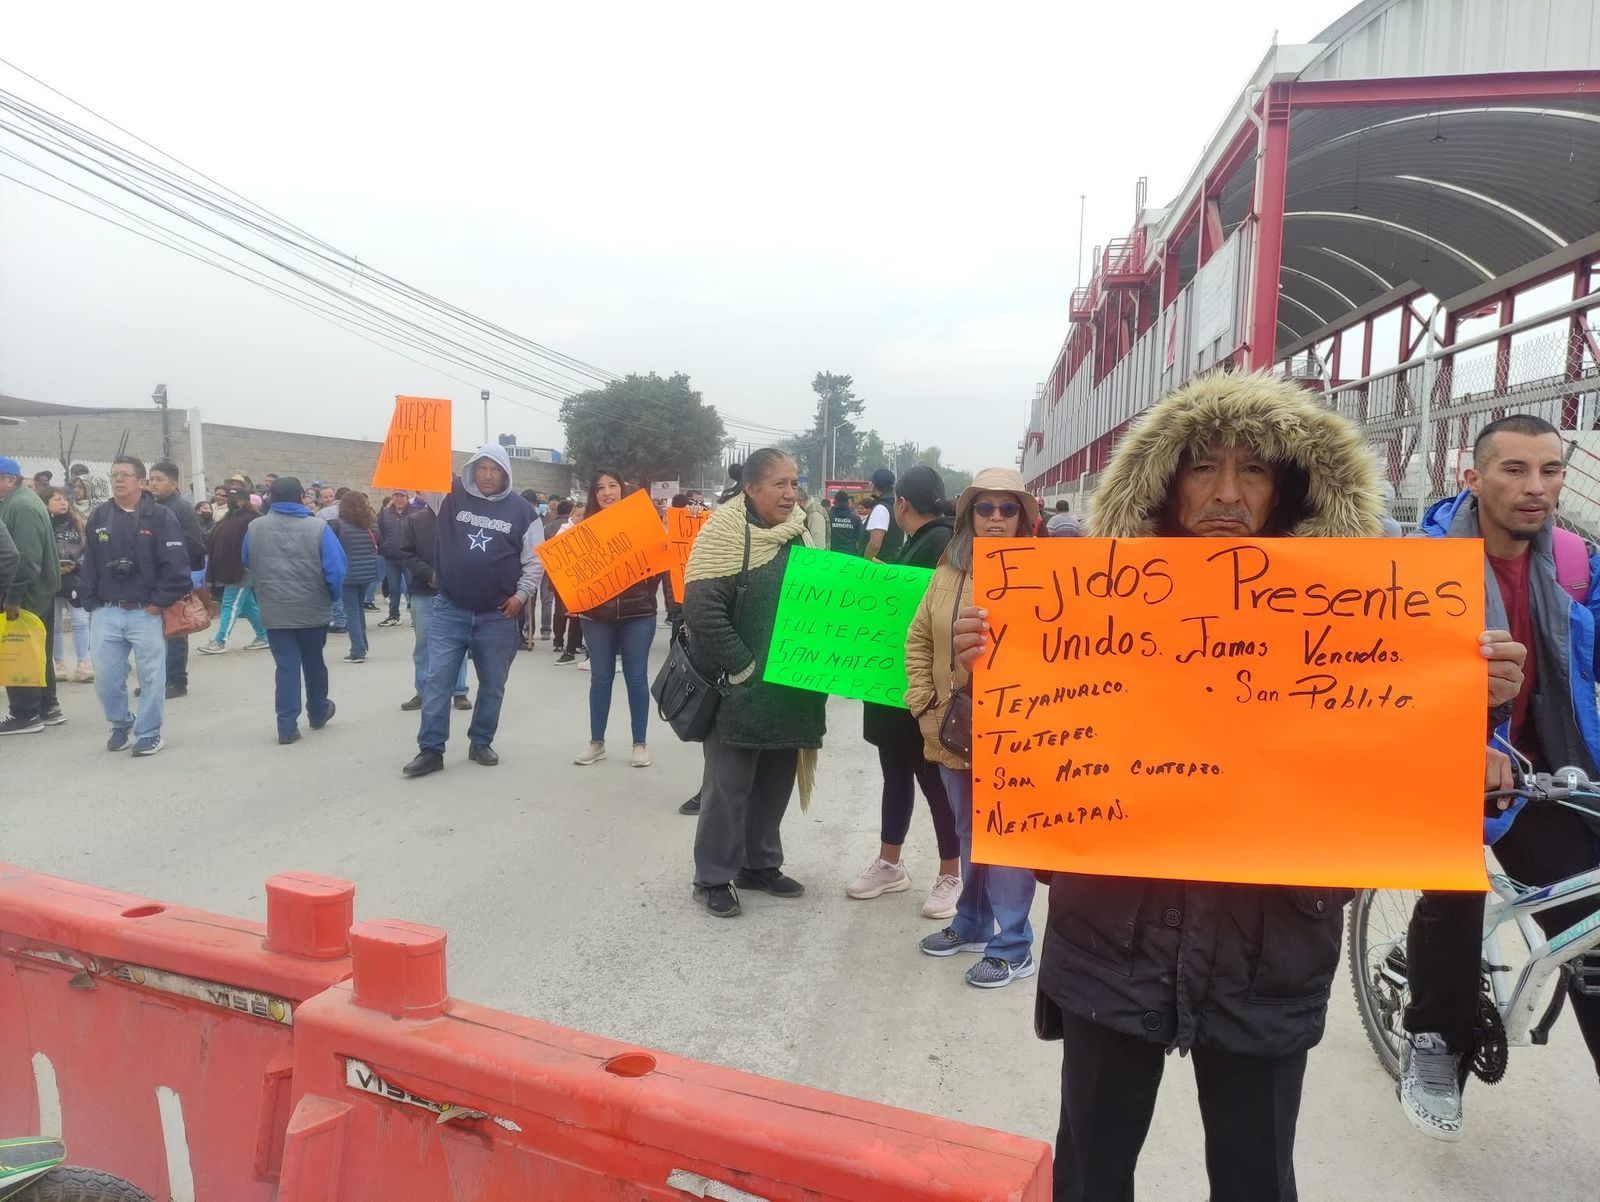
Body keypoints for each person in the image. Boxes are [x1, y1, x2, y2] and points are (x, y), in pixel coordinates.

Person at [947, 375, 1526, 1201]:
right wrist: (990, 680)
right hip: (1110, 943)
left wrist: (1471, 706)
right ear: (1164, 481)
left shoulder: (1362, 621)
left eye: (1252, 470)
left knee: (1256, 1181)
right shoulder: (1081, 604)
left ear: (1289, 484)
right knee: (1090, 1174)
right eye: (1201, 469)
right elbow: (1012, 776)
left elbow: (1395, 789)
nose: (1225, 492)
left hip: (1269, 955)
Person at [1400, 412, 1600, 1140]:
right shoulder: (1416, 566)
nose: (1535, 487)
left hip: (1543, 762)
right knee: (1454, 895)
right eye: (1514, 469)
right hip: (1440, 762)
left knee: (1587, 927)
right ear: (1472, 477)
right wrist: (1466, 728)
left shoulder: (1576, 562)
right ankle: (1433, 1042)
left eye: (1549, 470)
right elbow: (1384, 678)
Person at [905, 468, 1039, 986]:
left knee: (1007, 838)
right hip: (955, 731)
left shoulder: (1050, 572)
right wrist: (923, 703)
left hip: (1022, 735)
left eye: (1009, 509)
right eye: (987, 508)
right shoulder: (946, 575)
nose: (998, 518)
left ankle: (1013, 945)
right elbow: (918, 640)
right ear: (970, 516)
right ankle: (973, 923)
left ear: (1024, 517)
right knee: (968, 832)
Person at [684, 448, 825, 918]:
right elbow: (702, 609)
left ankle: (760, 863)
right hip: (737, 689)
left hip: (787, 690)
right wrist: (742, 667)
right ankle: (714, 876)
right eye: (780, 484)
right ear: (751, 488)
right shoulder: (724, 532)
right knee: (729, 786)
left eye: (794, 483)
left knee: (774, 782)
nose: (790, 494)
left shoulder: (801, 533)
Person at [850, 465, 963, 919]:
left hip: (920, 691)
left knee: (934, 782)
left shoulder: (940, 542)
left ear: (901, 505)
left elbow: (923, 607)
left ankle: (951, 873)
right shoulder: (926, 541)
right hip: (893, 687)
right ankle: (890, 862)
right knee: (896, 773)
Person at [402, 444, 542, 778]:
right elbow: (420, 475)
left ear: (505, 472)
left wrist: (521, 596)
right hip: (450, 609)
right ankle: (431, 749)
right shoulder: (449, 498)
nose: (488, 475)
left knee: (493, 684)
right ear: (472, 470)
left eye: (495, 469)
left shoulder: (523, 512)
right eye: (482, 468)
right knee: (437, 681)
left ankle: (481, 741)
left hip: (498, 615)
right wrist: (421, 436)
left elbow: (535, 561)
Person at [76, 455, 190, 755]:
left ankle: (150, 733)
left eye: (125, 475)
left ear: (141, 482)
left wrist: (158, 603)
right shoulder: (100, 516)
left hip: (146, 611)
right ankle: (120, 723)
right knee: (106, 676)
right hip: (107, 611)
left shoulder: (161, 517)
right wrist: (90, 600)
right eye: (114, 475)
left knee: (152, 676)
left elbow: (177, 566)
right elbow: (89, 563)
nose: (118, 480)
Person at [243, 476, 346, 744]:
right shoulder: (318, 528)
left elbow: (247, 559)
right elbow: (336, 569)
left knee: (286, 667)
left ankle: (286, 726)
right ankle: (318, 711)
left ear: (270, 498)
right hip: (312, 607)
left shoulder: (255, 528)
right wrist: (332, 597)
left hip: (274, 608)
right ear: (302, 496)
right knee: (314, 663)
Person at [573, 470, 658, 769]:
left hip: (638, 614)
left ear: (623, 489)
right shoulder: (584, 529)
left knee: (636, 677)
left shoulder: (641, 523)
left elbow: (658, 565)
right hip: (596, 616)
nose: (607, 492)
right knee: (601, 677)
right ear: (593, 495)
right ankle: (597, 743)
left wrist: (645, 596)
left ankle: (639, 743)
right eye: (600, 488)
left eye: (612, 486)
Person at [0, 457, 63, 733]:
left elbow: (25, 559)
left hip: (27, 594)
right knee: (38, 650)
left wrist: (13, 598)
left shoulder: (21, 506)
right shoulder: (22, 501)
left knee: (19, 649)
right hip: (37, 591)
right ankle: (47, 706)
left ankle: (25, 714)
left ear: (8, 480)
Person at [398, 496, 472, 713]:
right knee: (423, 642)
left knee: (458, 641)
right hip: (423, 590)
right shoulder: (414, 520)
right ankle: (423, 690)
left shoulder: (464, 519)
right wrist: (428, 573)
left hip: (456, 590)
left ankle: (459, 691)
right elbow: (406, 553)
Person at [147, 461, 207, 699]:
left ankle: (176, 681)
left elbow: (196, 545)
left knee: (175, 631)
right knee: (154, 634)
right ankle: (157, 680)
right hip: (153, 579)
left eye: (158, 479)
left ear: (173, 483)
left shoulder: (180, 509)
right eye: (151, 479)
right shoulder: (151, 506)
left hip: (175, 579)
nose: (153, 484)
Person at [198, 487, 269, 654]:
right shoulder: (228, 518)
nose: (232, 500)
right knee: (247, 605)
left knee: (230, 604)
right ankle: (264, 635)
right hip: (228, 569)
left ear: (244, 500)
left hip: (242, 570)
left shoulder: (254, 520)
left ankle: (219, 640)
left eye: (235, 498)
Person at [46, 487, 93, 683]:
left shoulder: (78, 523)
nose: (63, 503)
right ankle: (58, 664)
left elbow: (88, 550)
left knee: (81, 621)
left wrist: (75, 565)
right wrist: (52, 567)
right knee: (54, 624)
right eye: (57, 499)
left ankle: (84, 663)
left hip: (75, 578)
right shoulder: (43, 523)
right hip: (51, 579)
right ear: (47, 503)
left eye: (65, 499)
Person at [330, 491, 381, 664]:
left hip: (348, 574)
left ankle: (357, 650)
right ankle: (362, 644)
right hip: (367, 573)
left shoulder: (338, 525)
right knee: (358, 610)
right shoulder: (369, 524)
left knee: (351, 612)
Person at [553, 501, 587, 665]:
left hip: (587, 578)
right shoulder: (564, 530)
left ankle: (581, 649)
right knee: (570, 613)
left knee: (585, 617)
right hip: (570, 579)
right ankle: (569, 649)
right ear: (572, 515)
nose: (581, 518)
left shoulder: (589, 528)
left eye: (583, 515)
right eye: (578, 514)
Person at [375, 489, 411, 628]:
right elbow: (379, 531)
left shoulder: (414, 513)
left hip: (409, 558)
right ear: (392, 497)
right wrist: (384, 546)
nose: (399, 499)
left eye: (401, 496)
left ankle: (415, 614)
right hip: (391, 558)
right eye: (396, 496)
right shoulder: (385, 513)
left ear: (407, 497)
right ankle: (393, 615)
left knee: (411, 587)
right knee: (393, 588)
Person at [537, 497, 564, 642]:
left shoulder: (551, 524)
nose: (553, 508)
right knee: (547, 599)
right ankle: (545, 628)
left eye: (555, 506)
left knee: (552, 600)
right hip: (547, 564)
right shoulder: (543, 520)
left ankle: (548, 629)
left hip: (554, 565)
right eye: (551, 505)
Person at [863, 467, 903, 561]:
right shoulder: (894, 505)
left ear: (874, 485)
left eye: (871, 482)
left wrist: (865, 562)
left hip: (876, 569)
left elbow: (875, 544)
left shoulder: (881, 508)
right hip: (890, 565)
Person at [828, 489, 863, 554]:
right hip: (850, 556)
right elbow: (860, 539)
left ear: (835, 502)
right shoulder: (856, 519)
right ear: (847, 502)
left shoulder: (829, 517)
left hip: (832, 555)